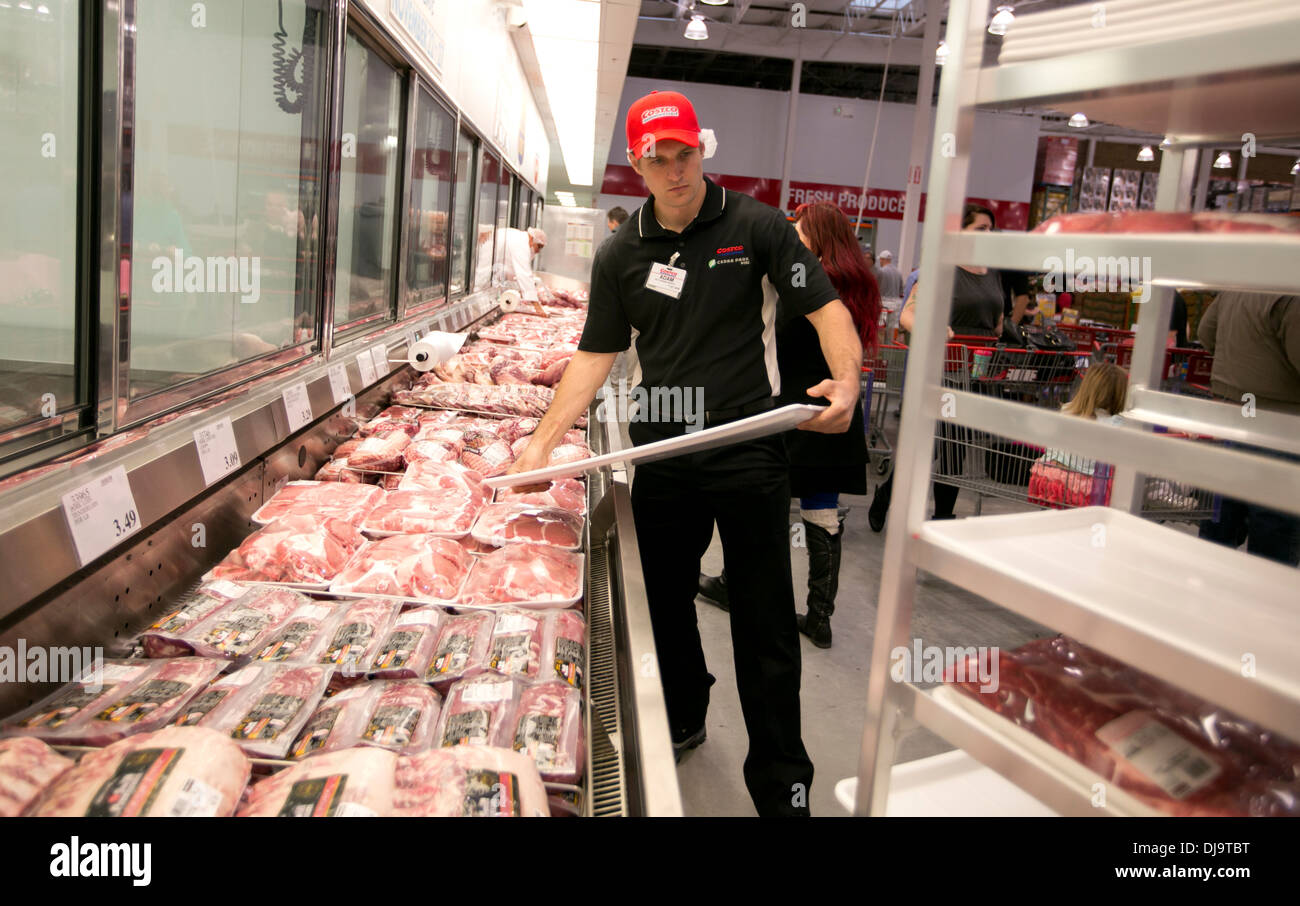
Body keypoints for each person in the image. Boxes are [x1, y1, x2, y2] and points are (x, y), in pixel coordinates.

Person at [507, 89, 862, 817]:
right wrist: (540, 445)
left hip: (747, 446)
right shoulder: (620, 254)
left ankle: (782, 787)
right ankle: (685, 709)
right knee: (659, 605)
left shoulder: (758, 227)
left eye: (685, 155)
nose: (675, 171)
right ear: (638, 165)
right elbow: (594, 357)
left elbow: (827, 309)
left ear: (703, 150)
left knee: (764, 624)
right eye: (658, 160)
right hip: (664, 448)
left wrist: (849, 378)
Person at [698, 202, 879, 648]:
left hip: (791, 413)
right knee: (821, 512)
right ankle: (820, 616)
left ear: (818, 239)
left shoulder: (802, 288)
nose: (792, 240)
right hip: (836, 413)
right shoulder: (857, 287)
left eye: (800, 233)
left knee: (761, 503)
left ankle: (735, 587)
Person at [870, 203, 1005, 528]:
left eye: (991, 229)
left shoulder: (993, 272)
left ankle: (937, 515)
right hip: (941, 371)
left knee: (954, 449)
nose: (987, 235)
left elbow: (997, 322)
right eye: (980, 229)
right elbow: (907, 315)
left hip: (977, 373)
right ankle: (898, 501)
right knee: (936, 449)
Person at [1195, 291, 1300, 565]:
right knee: (1272, 550)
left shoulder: (1237, 286)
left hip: (1228, 417)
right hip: (1277, 428)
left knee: (1217, 530)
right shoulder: (1291, 293)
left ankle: (1203, 597)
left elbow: (1206, 333)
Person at [493, 225, 547, 301]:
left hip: (494, 265)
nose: (538, 251)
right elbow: (523, 274)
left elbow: (512, 271)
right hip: (486, 259)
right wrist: (533, 301)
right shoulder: (521, 243)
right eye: (539, 246)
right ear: (532, 239)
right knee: (480, 283)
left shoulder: (521, 239)